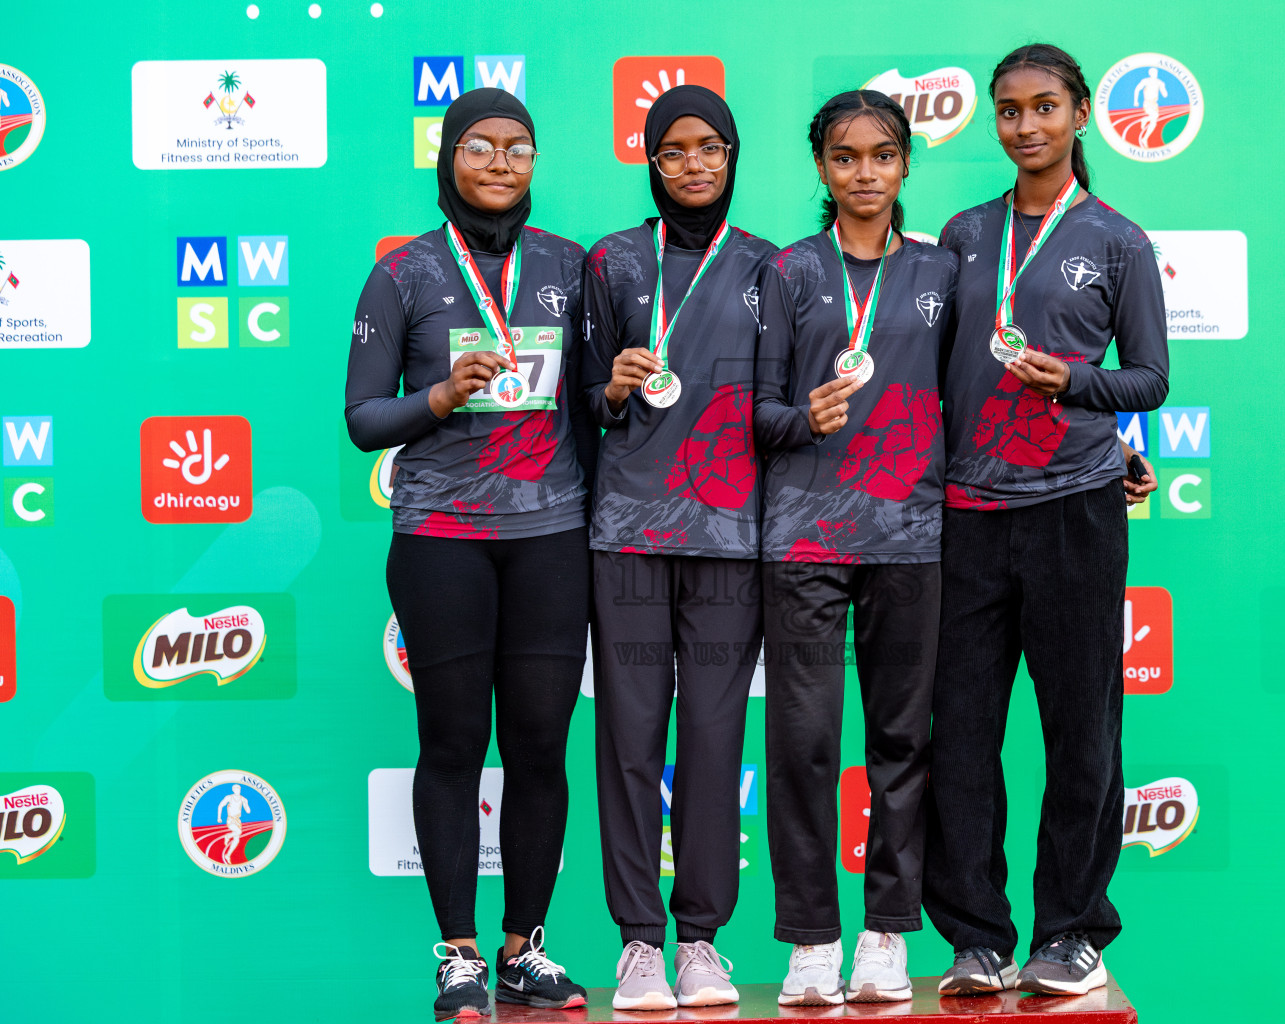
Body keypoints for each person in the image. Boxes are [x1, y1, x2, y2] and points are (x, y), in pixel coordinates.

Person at [922, 43, 1167, 998]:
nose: (1027, 126)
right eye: (1010, 110)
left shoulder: (1118, 239)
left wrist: (1074, 383)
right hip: (967, 514)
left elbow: (1150, 376)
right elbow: (925, 369)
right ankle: (977, 935)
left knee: (1082, 729)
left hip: (1075, 508)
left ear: (1082, 114)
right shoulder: (962, 233)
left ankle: (1072, 931)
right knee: (964, 734)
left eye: (1045, 107)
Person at [345, 87, 594, 1021]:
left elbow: (596, 414)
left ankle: (526, 947)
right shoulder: (403, 274)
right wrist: (444, 395)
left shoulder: (570, 266)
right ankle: (456, 956)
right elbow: (365, 418)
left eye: (519, 147)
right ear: (448, 156)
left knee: (539, 746)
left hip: (551, 539)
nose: (500, 162)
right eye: (481, 146)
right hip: (442, 540)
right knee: (451, 744)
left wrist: (616, 388)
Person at [755, 90, 957, 1007]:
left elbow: (986, 395)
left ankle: (886, 934)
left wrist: (1105, 447)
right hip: (804, 534)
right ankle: (810, 942)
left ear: (906, 162)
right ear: (821, 168)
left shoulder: (944, 271)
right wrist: (804, 417)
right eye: (844, 158)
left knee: (900, 741)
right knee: (801, 741)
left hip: (911, 535)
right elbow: (752, 412)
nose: (864, 174)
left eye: (881, 156)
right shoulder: (791, 274)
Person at [582, 84, 777, 1011]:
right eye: (675, 150)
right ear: (650, 162)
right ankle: (637, 944)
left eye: (712, 147)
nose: (695, 163)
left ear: (733, 156)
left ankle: (700, 939)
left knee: (710, 734)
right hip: (626, 530)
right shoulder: (613, 263)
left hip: (733, 537)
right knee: (627, 735)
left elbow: (785, 413)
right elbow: (576, 404)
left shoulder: (773, 267)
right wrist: (612, 390)